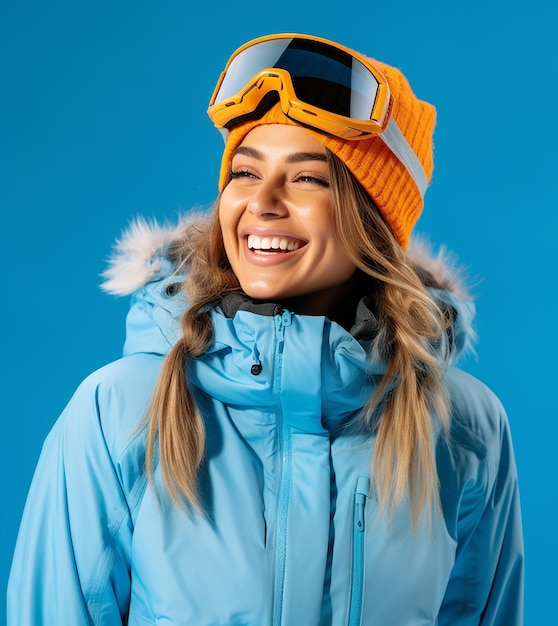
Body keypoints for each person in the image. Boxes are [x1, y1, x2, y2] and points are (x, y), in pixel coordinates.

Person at [7, 33, 523, 625]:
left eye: (307, 179)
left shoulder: (463, 430)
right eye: (246, 173)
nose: (263, 203)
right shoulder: (118, 412)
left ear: (372, 218)